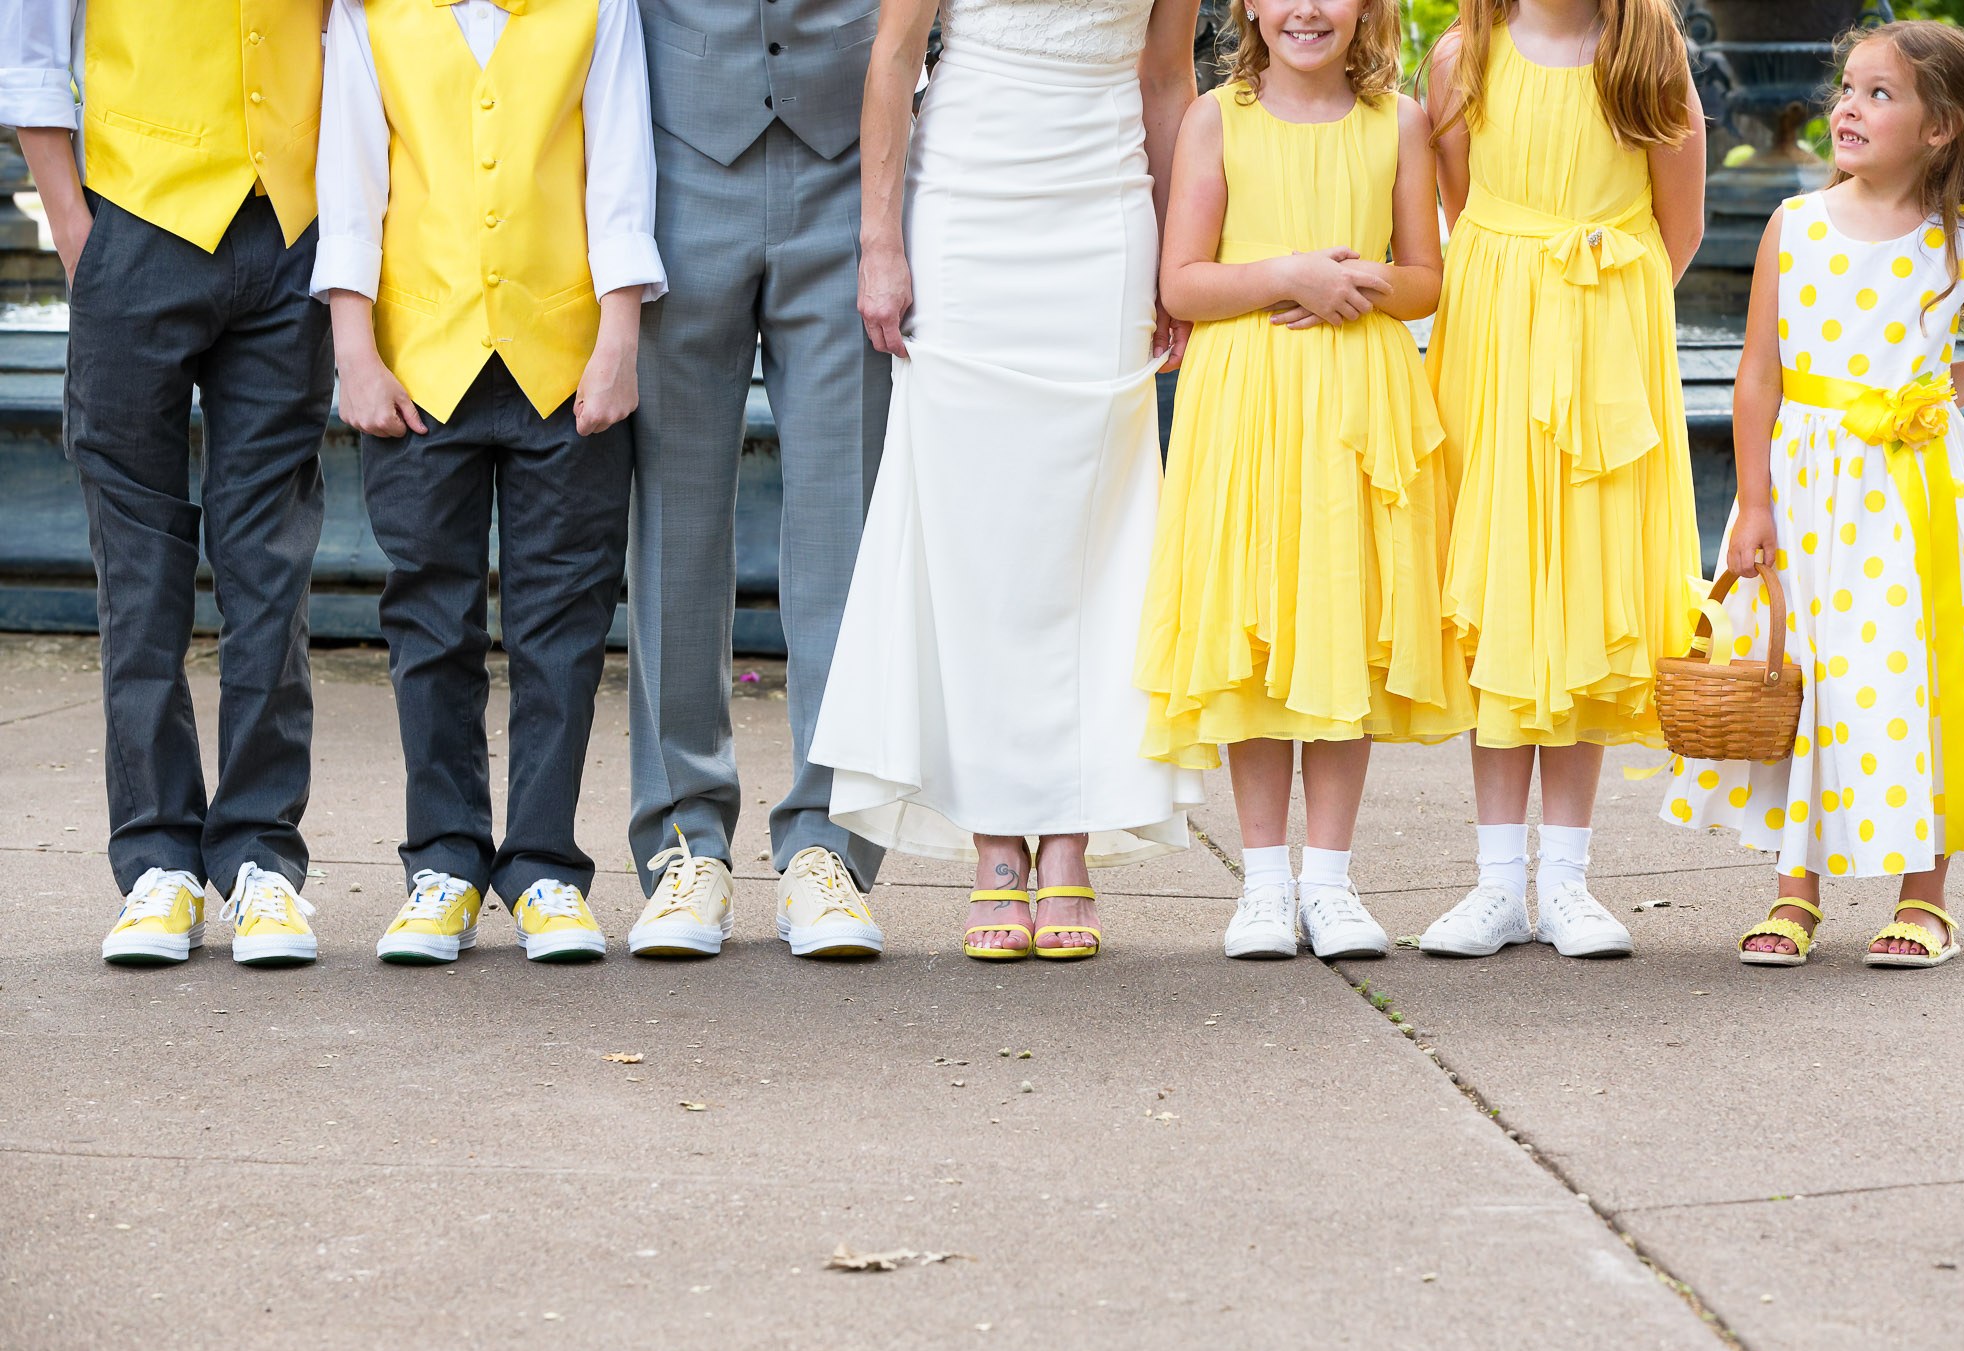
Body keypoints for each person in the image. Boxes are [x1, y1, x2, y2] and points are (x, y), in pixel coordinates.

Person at [811, 0, 1208, 963]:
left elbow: (1166, 76)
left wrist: (1179, 252)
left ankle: (1071, 828)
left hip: (1106, 207)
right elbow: (895, 58)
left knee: (1093, 522)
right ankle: (994, 838)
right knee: (973, 527)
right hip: (969, 205)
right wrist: (880, 240)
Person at [1663, 20, 1964, 970]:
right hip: (1805, 494)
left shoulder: (1960, 241)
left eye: (1880, 94)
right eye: (1847, 88)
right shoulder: (1794, 228)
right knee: (1813, 676)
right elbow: (1759, 375)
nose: (1847, 106)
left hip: (1920, 496)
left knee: (1920, 675)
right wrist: (1751, 505)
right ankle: (1796, 891)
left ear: (1939, 129)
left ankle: (1926, 896)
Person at [312, 0, 666, 965]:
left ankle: (545, 863)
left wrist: (619, 338)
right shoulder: (367, 14)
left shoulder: (599, 8)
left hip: (566, 359)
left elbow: (621, 175)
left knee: (565, 616)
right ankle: (445, 862)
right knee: (430, 617)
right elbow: (350, 183)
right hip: (419, 360)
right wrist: (355, 348)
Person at [1137, 0, 1473, 962]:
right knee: (1259, 620)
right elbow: (1184, 284)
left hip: (1360, 402)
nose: (1307, 10)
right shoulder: (1217, 118)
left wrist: (1352, 284)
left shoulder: (1398, 121)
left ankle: (1329, 881)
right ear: (1249, 6)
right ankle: (1263, 883)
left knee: (1340, 625)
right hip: (1247, 401)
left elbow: (1424, 278)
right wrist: (1291, 274)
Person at [3, 0, 330, 966]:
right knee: (139, 563)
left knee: (269, 553)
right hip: (133, 228)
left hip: (290, 233)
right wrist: (75, 228)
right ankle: (157, 861)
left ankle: (263, 858)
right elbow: (28, 52)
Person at [1417, 0, 1704, 960]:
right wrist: (1526, 296)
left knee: (1582, 590)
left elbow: (1680, 223)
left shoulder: (1649, 52)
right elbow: (1461, 208)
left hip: (1606, 340)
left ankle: (1569, 880)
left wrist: (1597, 318)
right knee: (1505, 591)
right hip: (1493, 343)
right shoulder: (1463, 55)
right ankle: (1499, 881)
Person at [624, 0, 893, 963]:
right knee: (673, 526)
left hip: (846, 162)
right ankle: (683, 844)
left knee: (844, 526)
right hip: (678, 158)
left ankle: (829, 849)